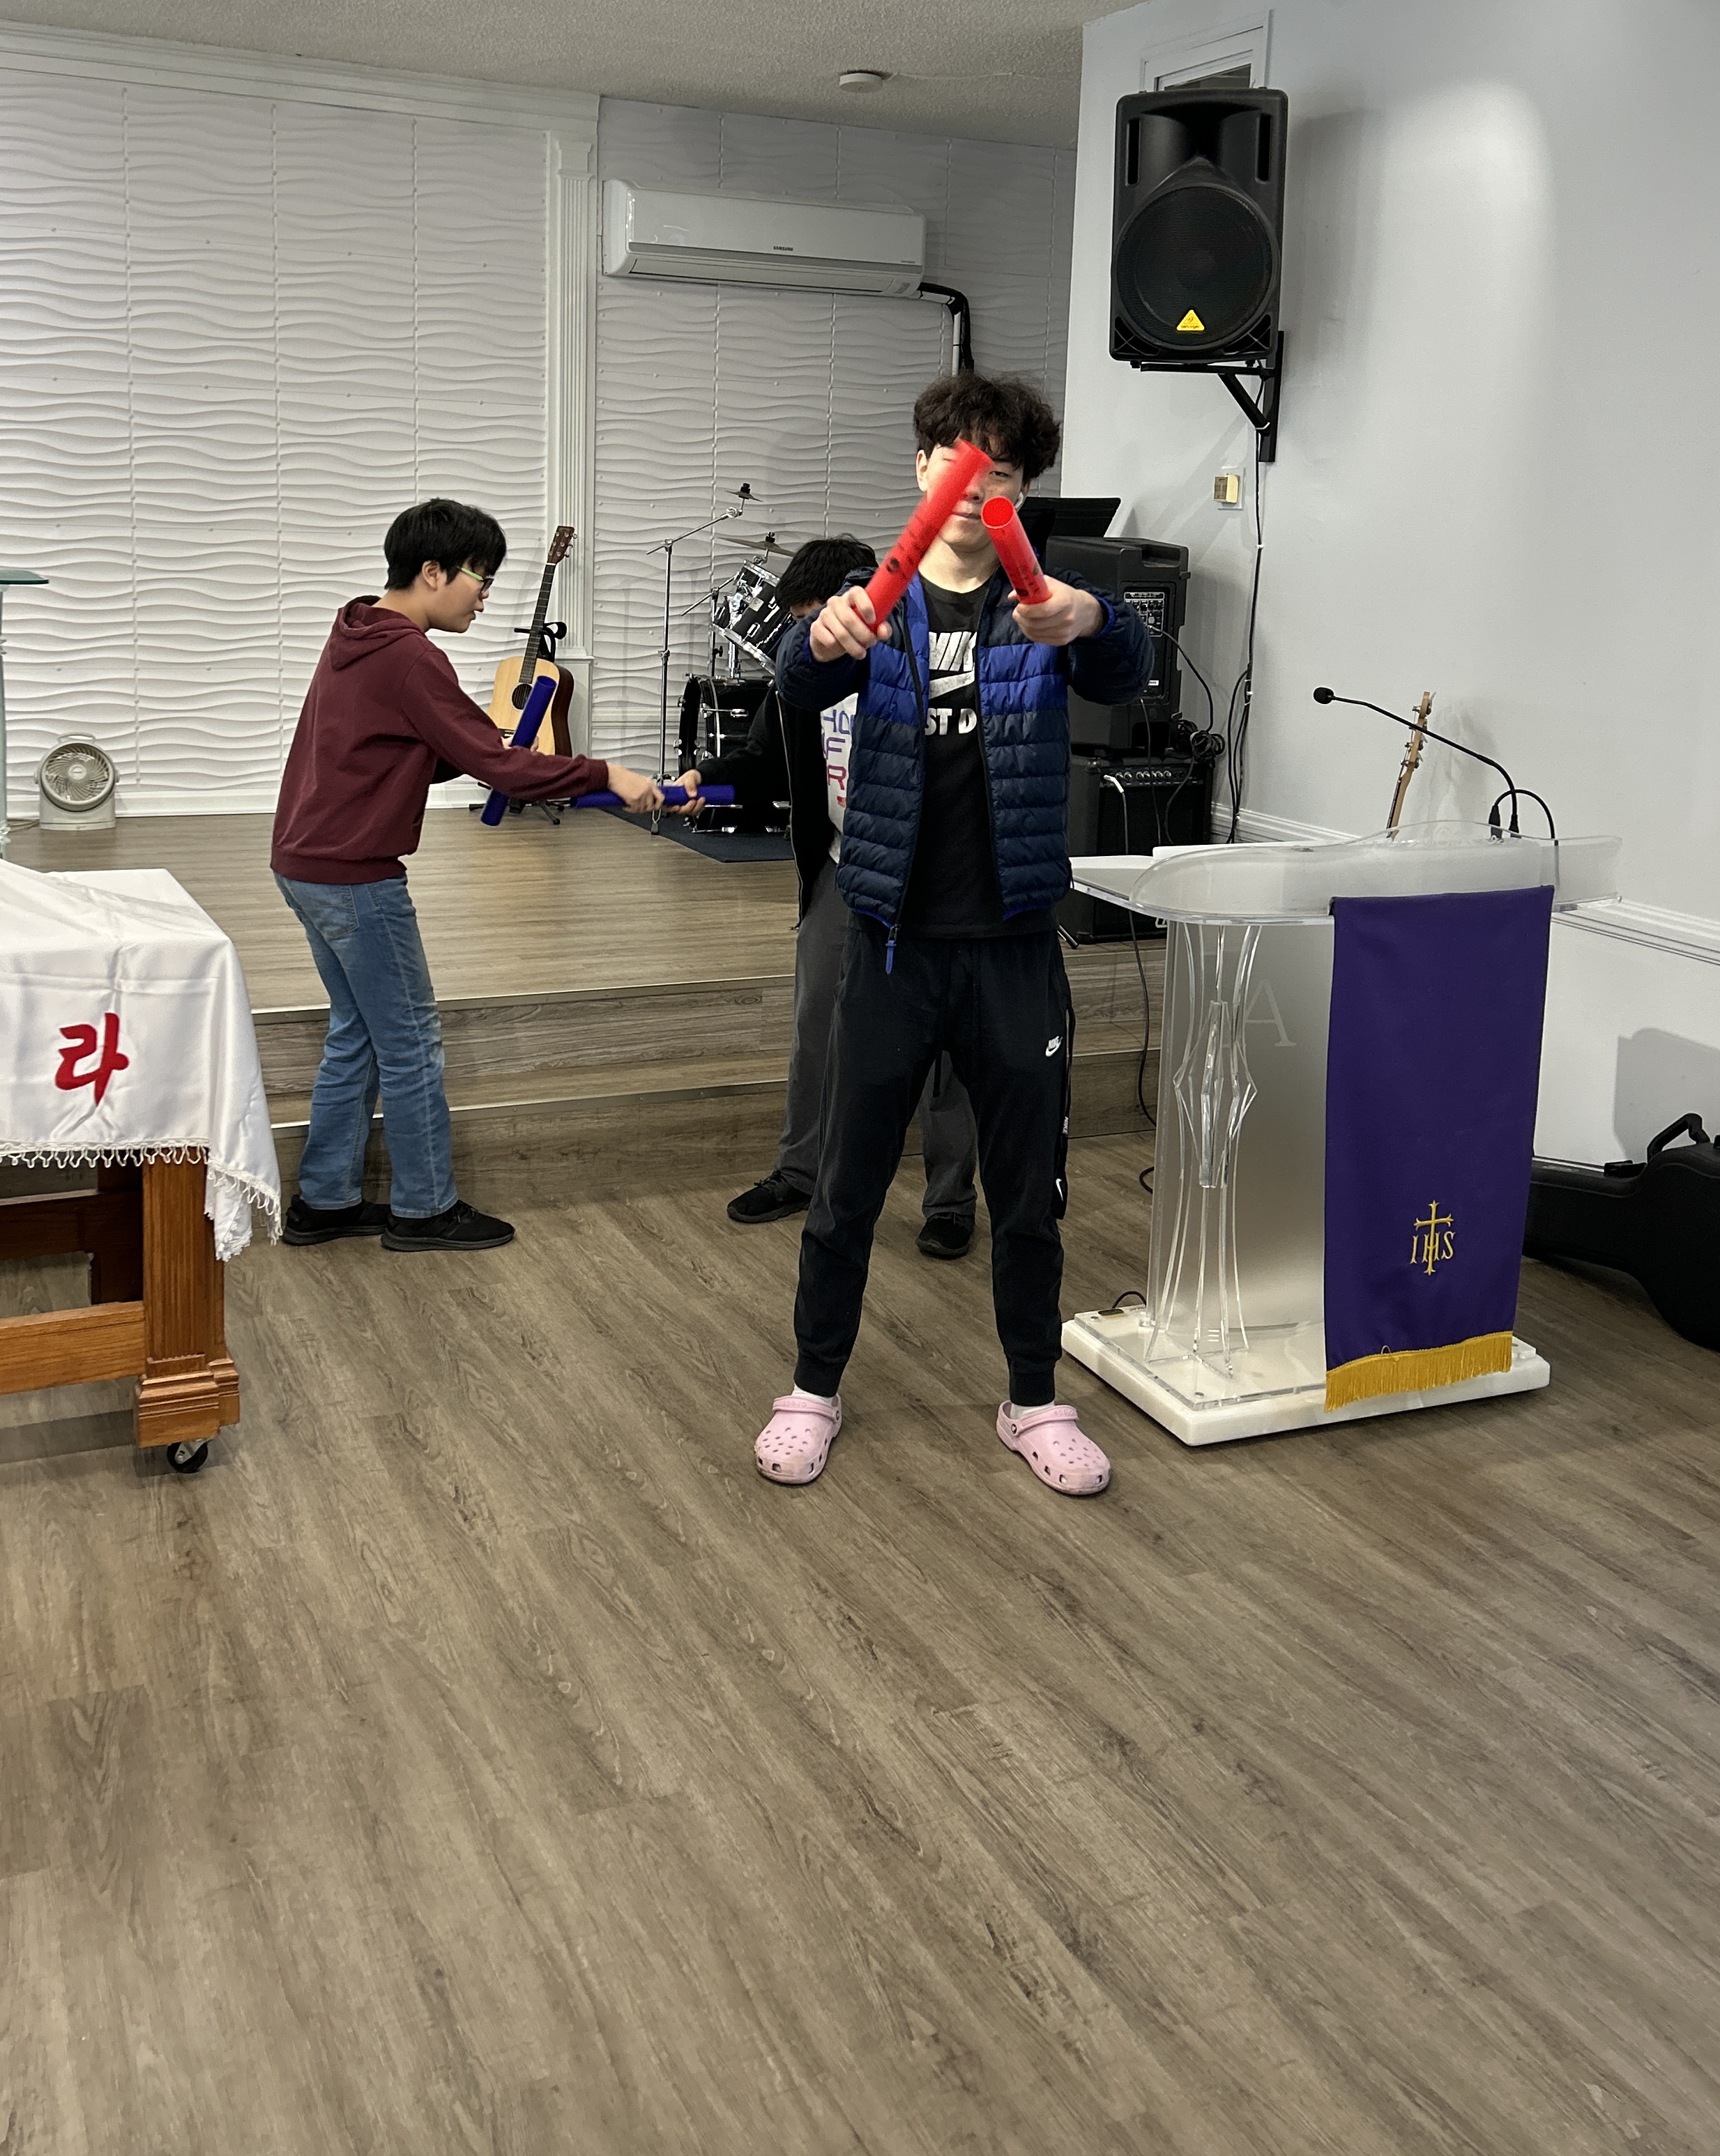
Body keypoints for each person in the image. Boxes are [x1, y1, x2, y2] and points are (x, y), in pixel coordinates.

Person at [749, 374, 1152, 1498]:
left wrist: (1094, 620)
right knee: (846, 1186)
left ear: (1022, 488)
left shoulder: (1046, 605)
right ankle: (812, 1390)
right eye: (957, 460)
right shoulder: (870, 603)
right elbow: (795, 684)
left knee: (1028, 1197)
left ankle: (1034, 1400)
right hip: (891, 944)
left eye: (1002, 469)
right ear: (923, 467)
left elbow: (1127, 666)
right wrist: (821, 635)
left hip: (1014, 946)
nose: (977, 485)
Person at [273, 497, 662, 1253]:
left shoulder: (356, 629)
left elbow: (405, 750)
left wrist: (475, 746)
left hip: (305, 863)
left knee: (358, 1032)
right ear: (432, 572)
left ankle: (325, 1201)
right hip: (354, 876)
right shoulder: (410, 655)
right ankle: (424, 1209)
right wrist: (606, 773)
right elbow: (496, 767)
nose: (484, 597)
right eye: (479, 578)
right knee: (411, 1040)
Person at [686, 535, 979, 1259]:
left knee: (945, 1050)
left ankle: (950, 1202)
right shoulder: (801, 673)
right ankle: (800, 1172)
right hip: (843, 869)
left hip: (931, 884)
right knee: (816, 1025)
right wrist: (705, 781)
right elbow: (763, 762)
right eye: (800, 625)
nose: (810, 637)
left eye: (813, 619)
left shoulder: (916, 659)